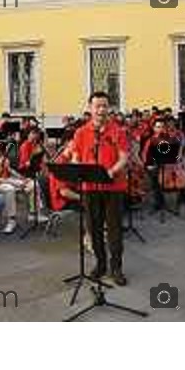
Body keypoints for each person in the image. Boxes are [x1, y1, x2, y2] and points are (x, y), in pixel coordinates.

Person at [71, 91, 129, 285]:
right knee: (93, 229)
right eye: (97, 106)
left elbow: (123, 157)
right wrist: (77, 166)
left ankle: (116, 268)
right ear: (90, 108)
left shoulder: (118, 131)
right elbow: (75, 156)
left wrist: (111, 171)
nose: (101, 110)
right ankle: (101, 264)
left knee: (114, 230)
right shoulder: (81, 132)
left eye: (105, 106)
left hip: (113, 187)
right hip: (90, 187)